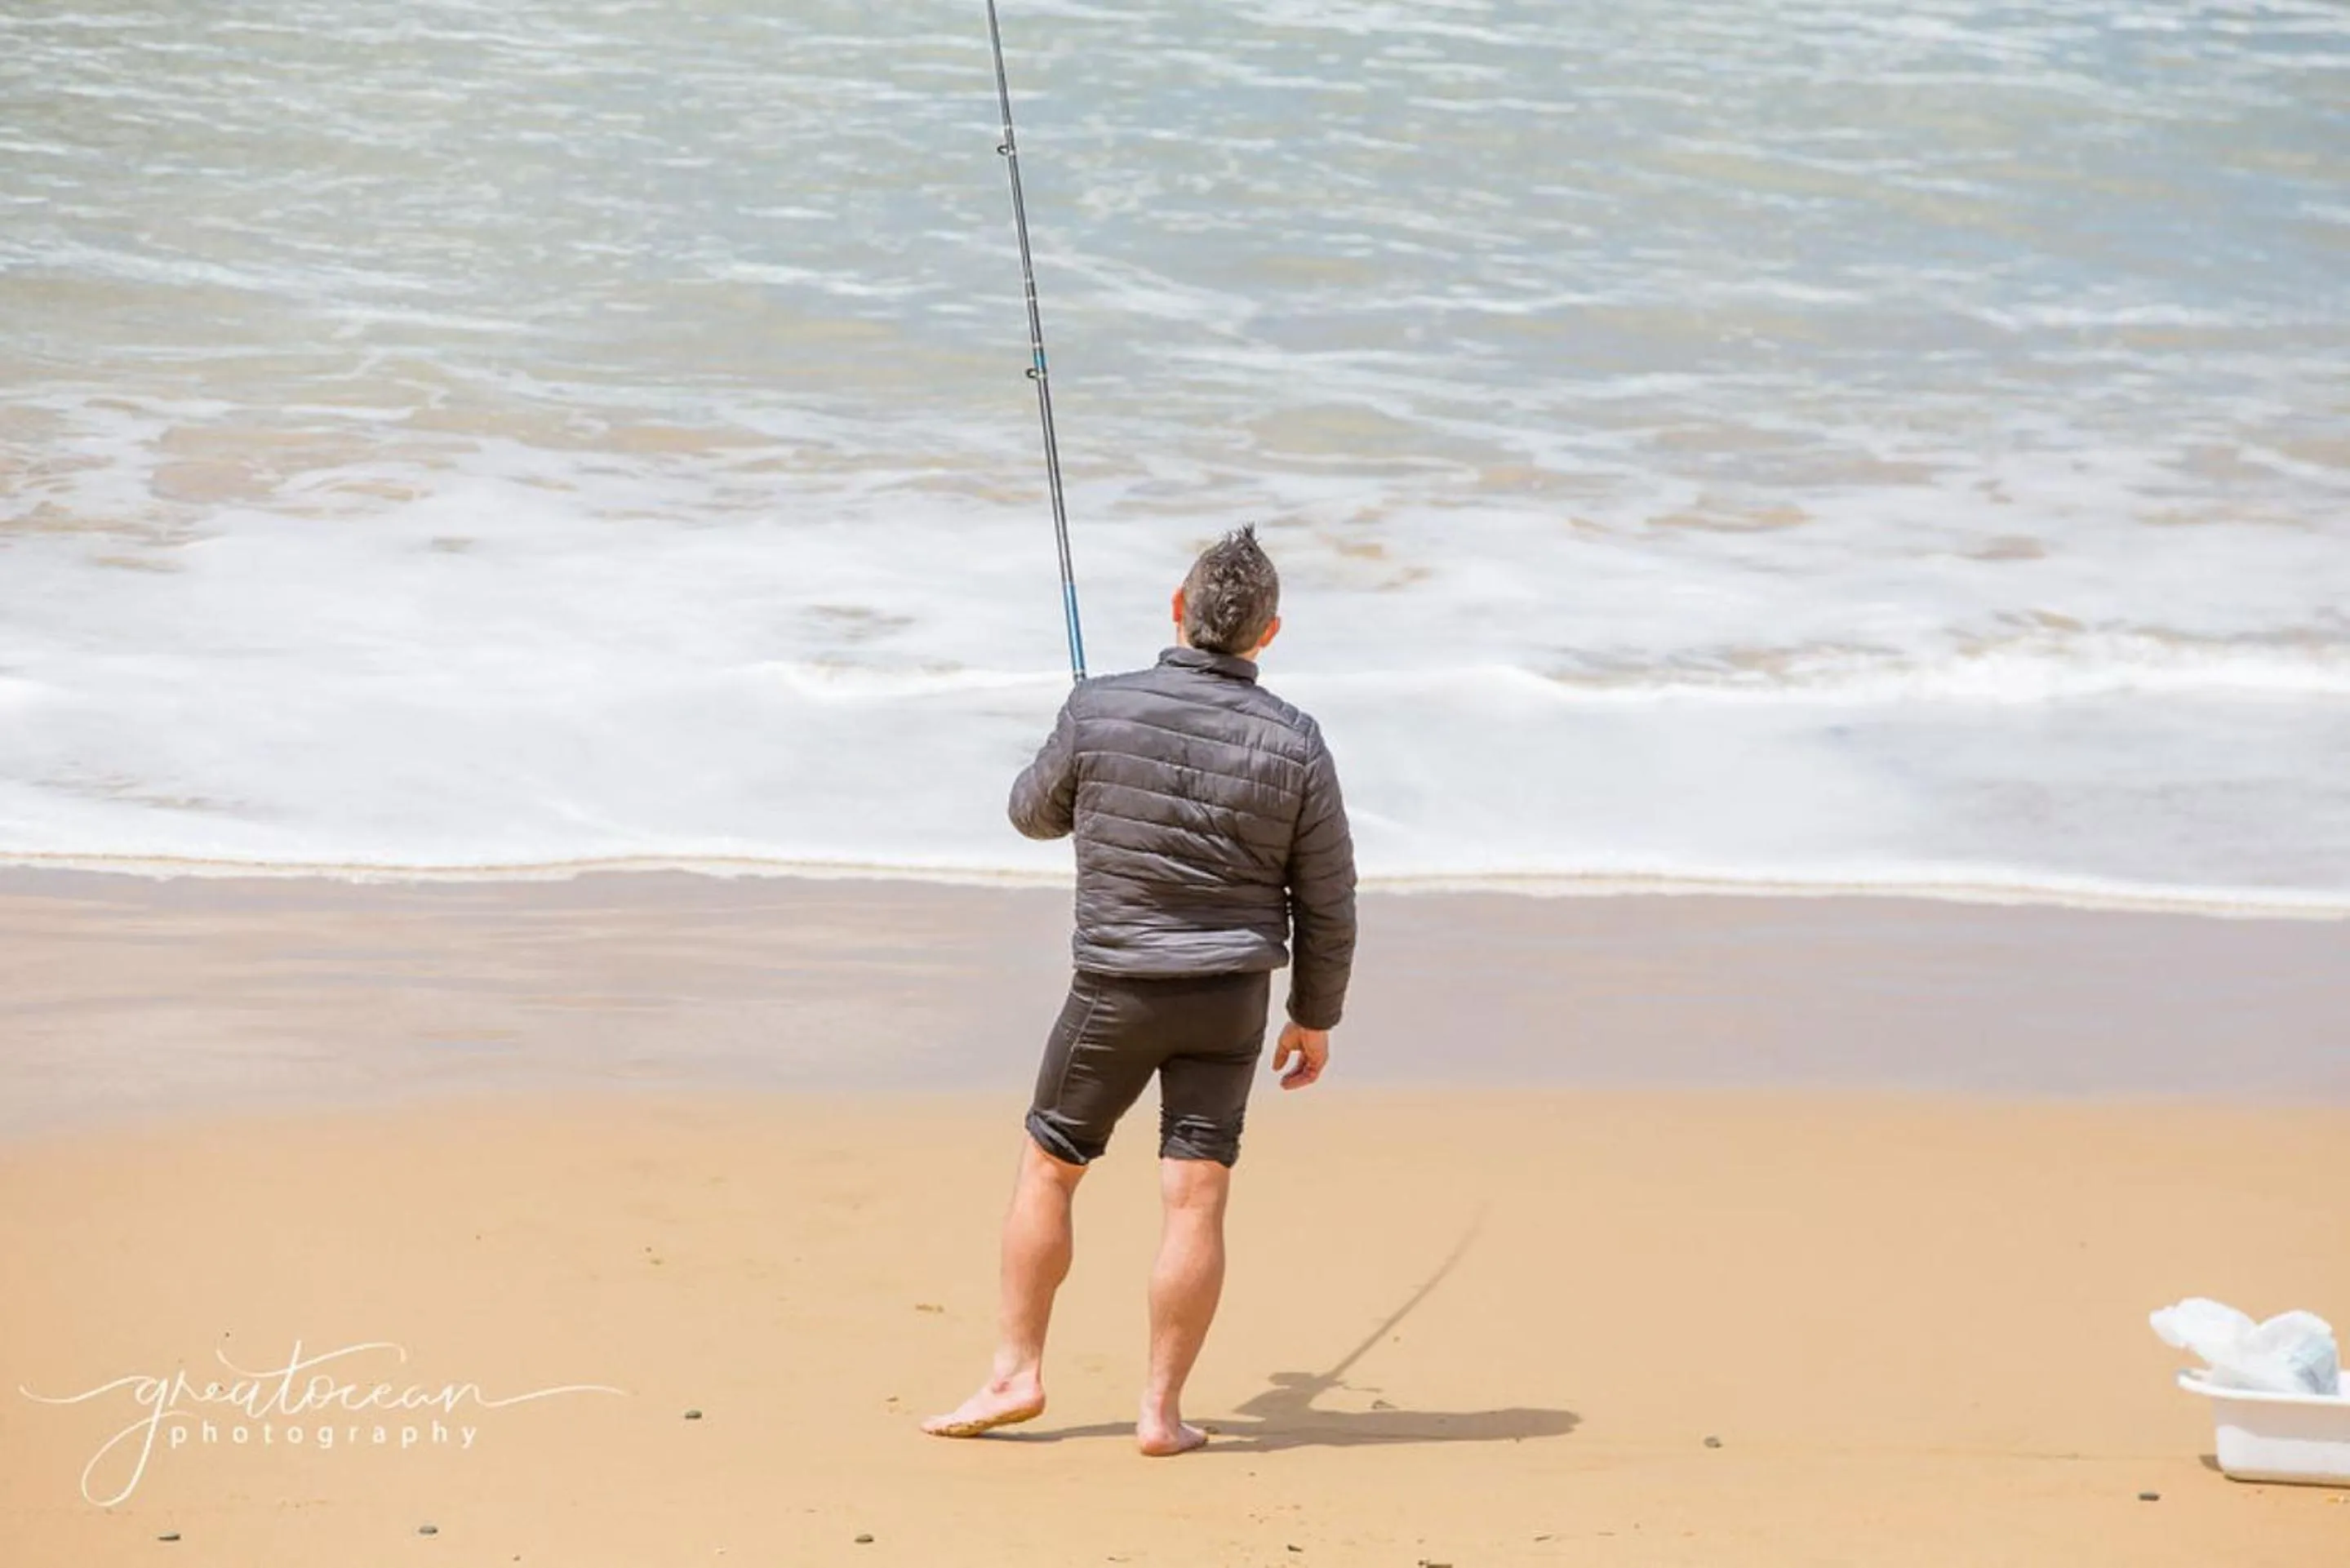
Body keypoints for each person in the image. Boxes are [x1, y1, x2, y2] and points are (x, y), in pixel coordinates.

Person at [923, 525, 1358, 1456]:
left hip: (1116, 986)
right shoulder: (1295, 738)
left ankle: (1015, 1373)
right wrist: (1313, 1016)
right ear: (1267, 634)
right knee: (1193, 1196)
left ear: (1177, 608)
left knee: (1051, 1165)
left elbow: (1029, 814)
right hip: (1230, 997)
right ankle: (1159, 1414)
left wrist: (1082, 739)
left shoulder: (1100, 705)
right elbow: (1324, 896)